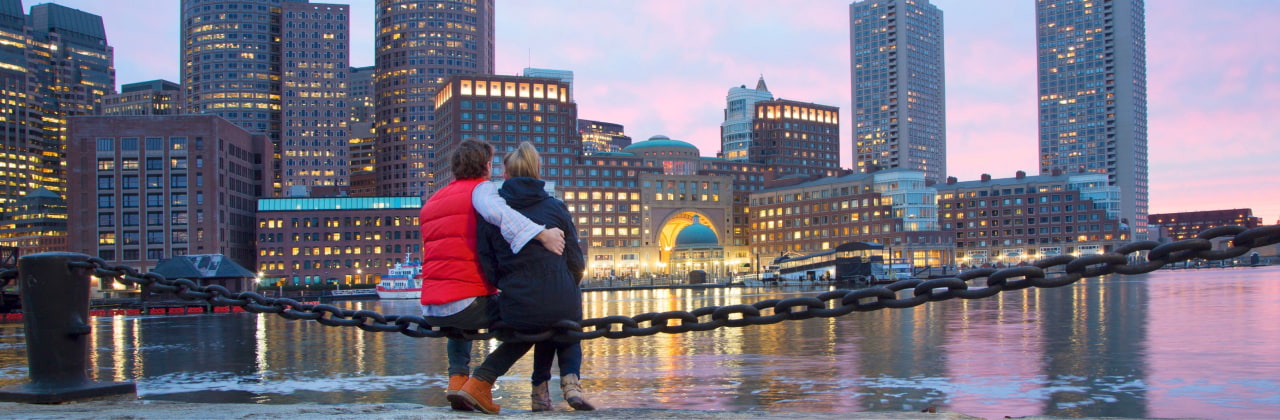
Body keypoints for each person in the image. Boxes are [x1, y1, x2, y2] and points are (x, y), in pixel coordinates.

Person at [418, 139, 565, 411]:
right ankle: (481, 383)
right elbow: (504, 217)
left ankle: (457, 380)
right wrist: (543, 234)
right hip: (467, 302)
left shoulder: (433, 200)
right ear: (486, 166)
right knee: (532, 321)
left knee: (463, 310)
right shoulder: (482, 191)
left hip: (431, 306)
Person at [452, 142, 592, 414]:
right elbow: (576, 260)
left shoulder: (492, 210)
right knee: (564, 316)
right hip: (560, 298)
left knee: (539, 315)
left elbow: (488, 263)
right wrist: (565, 283)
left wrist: (508, 285)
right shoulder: (556, 207)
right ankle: (570, 382)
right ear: (538, 171)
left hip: (517, 303)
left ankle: (540, 393)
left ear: (505, 174)